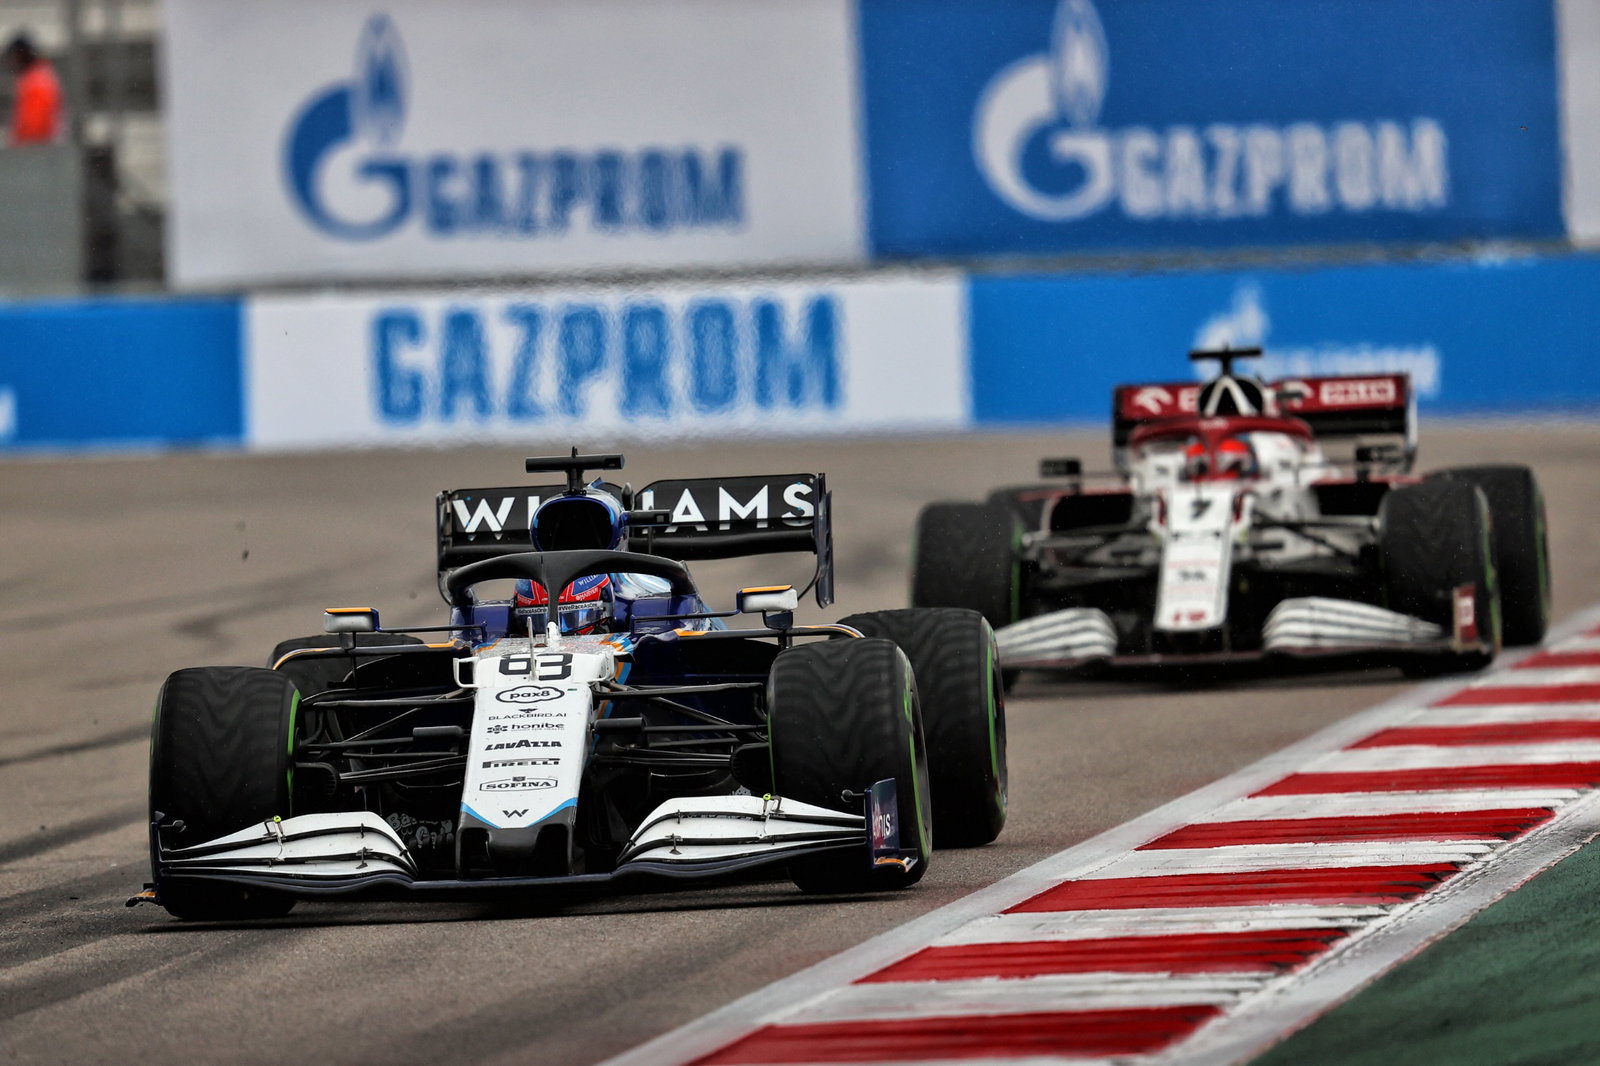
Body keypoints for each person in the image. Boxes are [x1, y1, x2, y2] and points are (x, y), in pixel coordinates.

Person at [4, 33, 62, 145]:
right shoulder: (40, 76)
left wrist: (19, 145)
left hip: (38, 150)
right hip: (43, 147)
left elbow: (34, 127)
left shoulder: (35, 81)